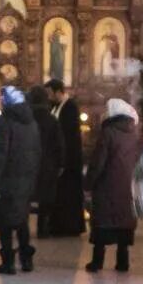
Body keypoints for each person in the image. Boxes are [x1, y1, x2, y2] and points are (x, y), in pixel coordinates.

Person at [0, 86, 41, 274]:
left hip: (6, 180)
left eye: (1, 98)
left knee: (4, 221)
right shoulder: (31, 122)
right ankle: (26, 259)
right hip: (26, 179)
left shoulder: (4, 121)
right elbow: (37, 152)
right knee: (21, 219)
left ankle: (8, 262)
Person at [84, 98, 143, 273]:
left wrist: (88, 183)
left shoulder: (108, 133)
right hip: (127, 185)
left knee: (103, 223)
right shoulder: (133, 134)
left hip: (107, 185)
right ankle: (122, 262)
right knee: (124, 222)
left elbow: (98, 162)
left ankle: (97, 262)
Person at [46, 79, 85, 236]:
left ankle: (71, 227)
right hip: (59, 158)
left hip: (70, 159)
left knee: (69, 195)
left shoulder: (70, 107)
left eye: (50, 93)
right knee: (60, 195)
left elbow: (68, 135)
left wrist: (63, 159)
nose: (48, 97)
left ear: (58, 92)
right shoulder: (55, 106)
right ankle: (59, 226)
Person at [27, 85, 65, 239]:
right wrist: (61, 163)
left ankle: (22, 228)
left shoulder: (25, 118)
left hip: (27, 162)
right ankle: (43, 228)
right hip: (47, 164)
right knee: (46, 198)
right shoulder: (51, 120)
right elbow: (59, 143)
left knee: (25, 196)